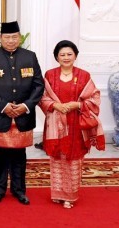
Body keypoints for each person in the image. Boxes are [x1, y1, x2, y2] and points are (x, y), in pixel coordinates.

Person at [0, 21, 44, 205]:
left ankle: (19, 190)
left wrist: (26, 106)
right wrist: (3, 106)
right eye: (6, 37)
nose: (10, 40)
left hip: (23, 115)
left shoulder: (30, 57)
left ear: (19, 37)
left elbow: (39, 85)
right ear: (0, 38)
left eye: (14, 37)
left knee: (19, 155)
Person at [39, 40, 104, 209]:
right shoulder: (49, 75)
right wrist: (55, 106)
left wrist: (77, 105)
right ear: (56, 57)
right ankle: (58, 193)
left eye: (69, 54)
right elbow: (42, 97)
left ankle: (70, 196)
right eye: (62, 54)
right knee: (57, 158)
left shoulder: (84, 75)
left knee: (73, 159)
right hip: (55, 124)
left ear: (75, 56)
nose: (66, 57)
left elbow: (94, 98)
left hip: (76, 124)